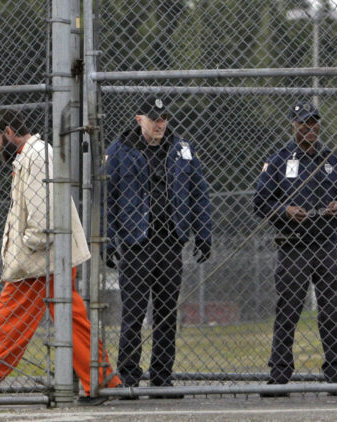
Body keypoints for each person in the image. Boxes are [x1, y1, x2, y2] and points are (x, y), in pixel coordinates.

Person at [0, 109, 121, 405]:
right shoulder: (35, 154)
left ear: (10, 130)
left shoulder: (36, 155)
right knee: (72, 320)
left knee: (7, 322)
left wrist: (31, 242)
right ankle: (102, 381)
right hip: (50, 258)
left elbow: (43, 209)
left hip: (39, 260)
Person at [105, 96, 212, 399]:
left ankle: (162, 377)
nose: (161, 124)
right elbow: (108, 198)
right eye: (154, 119)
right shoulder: (120, 151)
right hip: (136, 244)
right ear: (140, 119)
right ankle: (128, 377)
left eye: (164, 118)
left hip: (169, 244)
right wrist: (109, 239)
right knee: (133, 313)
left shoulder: (182, 150)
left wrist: (203, 234)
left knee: (166, 313)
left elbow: (199, 193)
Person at [253, 101, 337, 397]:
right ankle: (279, 377)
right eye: (304, 123)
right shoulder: (278, 161)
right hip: (293, 248)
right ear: (293, 125)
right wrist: (285, 210)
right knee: (288, 312)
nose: (311, 128)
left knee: (332, 313)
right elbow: (260, 202)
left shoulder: (332, 160)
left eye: (314, 123)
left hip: (327, 247)